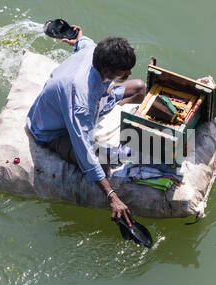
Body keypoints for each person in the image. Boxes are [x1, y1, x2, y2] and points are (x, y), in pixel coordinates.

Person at [26, 25, 146, 227]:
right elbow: (84, 151)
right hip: (55, 129)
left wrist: (76, 37)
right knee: (104, 163)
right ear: (107, 70)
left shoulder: (94, 51)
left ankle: (114, 115)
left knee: (140, 88)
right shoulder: (81, 101)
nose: (127, 75)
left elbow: (84, 42)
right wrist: (111, 195)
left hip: (99, 96)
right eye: (124, 75)